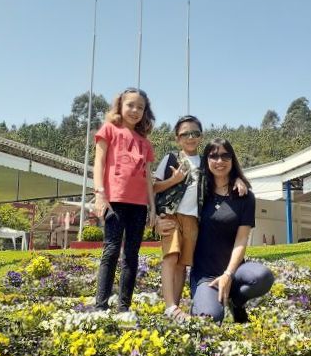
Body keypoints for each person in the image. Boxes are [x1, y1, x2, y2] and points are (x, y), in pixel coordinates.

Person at [160, 138, 274, 323]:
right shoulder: (199, 193)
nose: (219, 161)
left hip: (234, 272)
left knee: (263, 277)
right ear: (206, 160)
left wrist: (228, 274)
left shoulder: (244, 196)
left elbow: (241, 240)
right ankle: (204, 298)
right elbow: (169, 205)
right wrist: (158, 220)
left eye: (225, 156)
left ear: (232, 159)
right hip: (206, 275)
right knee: (211, 318)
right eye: (213, 156)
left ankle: (236, 302)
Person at [93, 88, 156, 312]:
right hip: (114, 200)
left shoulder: (145, 143)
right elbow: (99, 163)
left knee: (132, 255)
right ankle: (100, 307)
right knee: (110, 251)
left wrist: (153, 208)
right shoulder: (109, 130)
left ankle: (124, 308)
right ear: (120, 105)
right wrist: (100, 194)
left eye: (140, 107)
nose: (135, 110)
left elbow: (148, 177)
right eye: (130, 105)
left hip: (139, 205)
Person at [153, 115, 204, 322]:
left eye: (195, 133)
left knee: (183, 263)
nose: (190, 137)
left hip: (192, 218)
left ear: (200, 137)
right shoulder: (171, 158)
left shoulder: (206, 162)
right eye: (185, 134)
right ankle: (170, 305)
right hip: (170, 214)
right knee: (171, 257)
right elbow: (153, 187)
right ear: (177, 138)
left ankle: (174, 308)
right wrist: (173, 180)